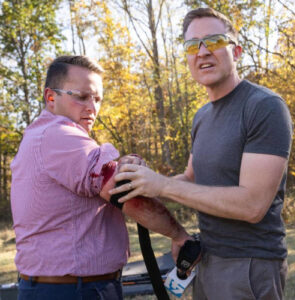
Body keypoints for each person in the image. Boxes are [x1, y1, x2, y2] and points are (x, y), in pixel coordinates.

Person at [109, 7, 293, 300]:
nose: (203, 52)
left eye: (215, 41)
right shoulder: (202, 116)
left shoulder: (264, 107)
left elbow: (253, 205)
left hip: (249, 265)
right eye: (193, 45)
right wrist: (142, 182)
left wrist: (163, 184)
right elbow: (192, 180)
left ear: (236, 51)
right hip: (206, 259)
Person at [10, 55, 191, 300]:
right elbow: (127, 194)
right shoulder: (60, 135)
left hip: (62, 288)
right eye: (82, 97)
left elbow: (113, 178)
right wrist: (180, 235)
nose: (93, 108)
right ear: (51, 97)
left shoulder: (41, 136)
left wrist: (128, 163)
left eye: (97, 99)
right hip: (74, 291)